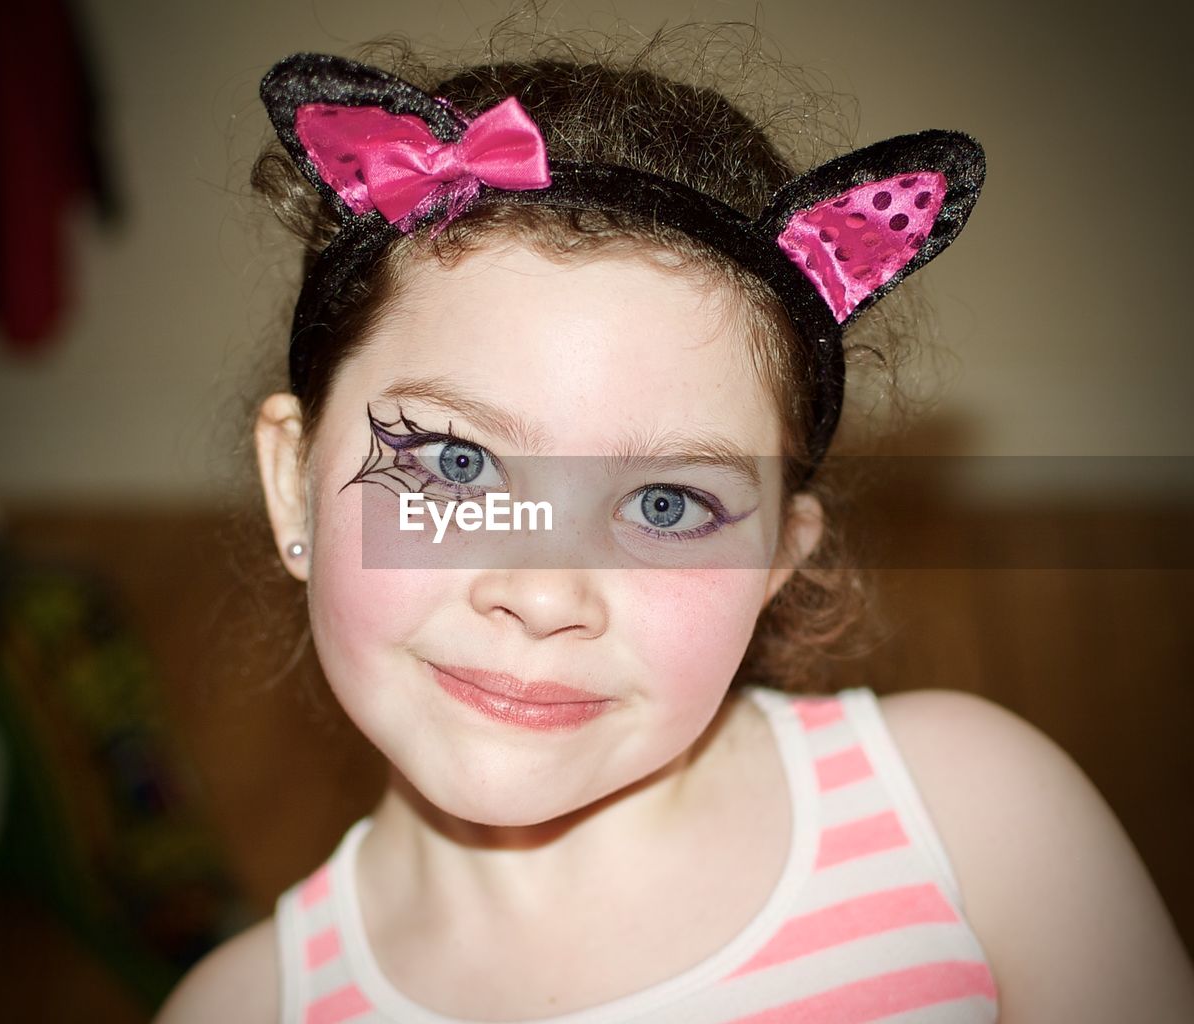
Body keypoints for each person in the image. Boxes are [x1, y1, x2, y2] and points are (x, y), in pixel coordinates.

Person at [157, 33, 1194, 1024]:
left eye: (665, 506)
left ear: (777, 559)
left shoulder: (979, 823)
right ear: (293, 481)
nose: (547, 591)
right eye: (456, 463)